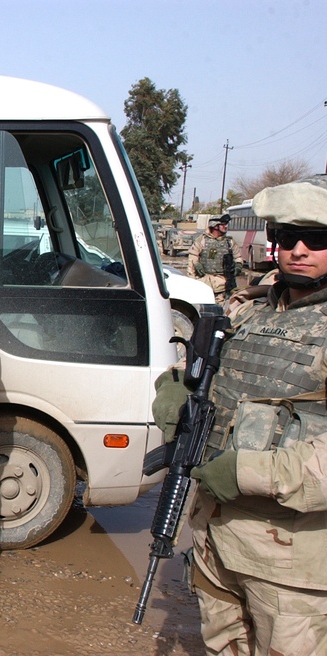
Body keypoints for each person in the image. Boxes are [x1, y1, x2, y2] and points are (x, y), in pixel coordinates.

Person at [153, 175, 327, 654]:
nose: (298, 250)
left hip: (292, 566)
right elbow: (200, 378)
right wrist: (174, 394)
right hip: (217, 540)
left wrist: (248, 471)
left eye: (317, 239)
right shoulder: (249, 312)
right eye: (285, 237)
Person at [187, 214, 244, 303]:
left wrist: (238, 266)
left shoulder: (230, 242)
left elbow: (238, 258)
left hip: (223, 284)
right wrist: (192, 277)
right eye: (223, 224)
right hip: (204, 282)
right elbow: (192, 258)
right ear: (215, 225)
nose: (226, 226)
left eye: (226, 224)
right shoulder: (202, 240)